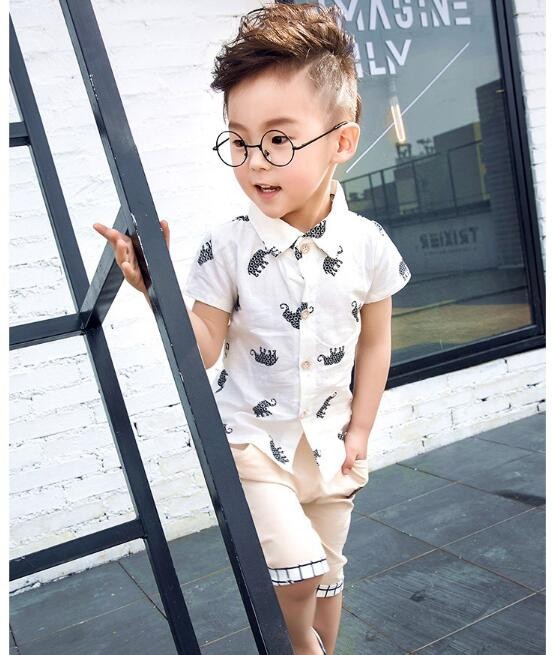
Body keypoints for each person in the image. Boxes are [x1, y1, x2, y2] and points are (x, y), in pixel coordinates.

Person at [93, 3, 411, 653]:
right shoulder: (227, 246)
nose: (256, 162)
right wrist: (157, 293)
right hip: (253, 446)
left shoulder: (369, 244)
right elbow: (205, 348)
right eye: (239, 142)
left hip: (330, 446)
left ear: (341, 142)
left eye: (278, 140)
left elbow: (376, 341)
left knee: (329, 577)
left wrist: (360, 429)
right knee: (299, 571)